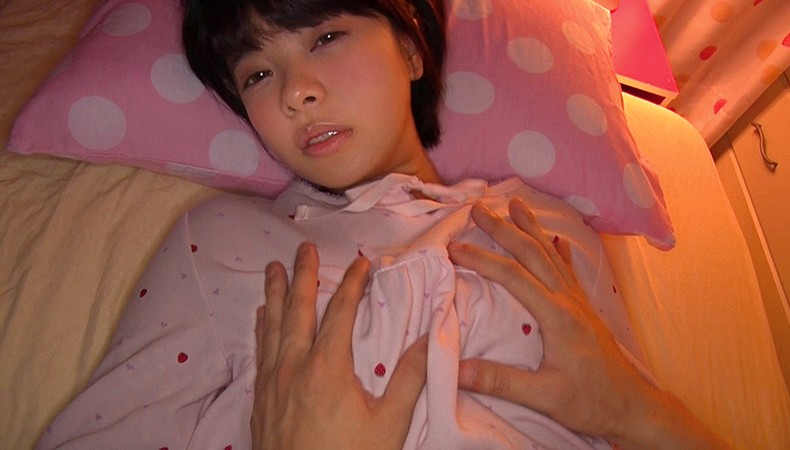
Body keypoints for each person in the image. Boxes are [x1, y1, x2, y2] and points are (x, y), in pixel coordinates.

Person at [37, 0, 728, 448]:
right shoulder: (225, 243)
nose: (297, 92)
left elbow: (623, 407)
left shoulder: (543, 224)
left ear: (412, 51)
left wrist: (637, 412)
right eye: (257, 75)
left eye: (327, 36)